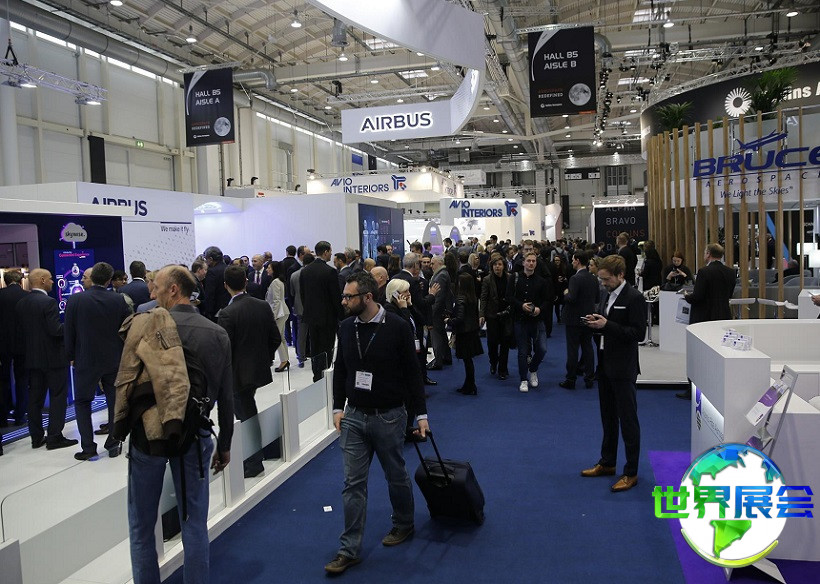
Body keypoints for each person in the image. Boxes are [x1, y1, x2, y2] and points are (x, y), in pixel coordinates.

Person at [119, 265, 233, 584]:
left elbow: (126, 382)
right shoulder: (216, 332)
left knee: (141, 528)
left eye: (156, 287)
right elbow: (227, 396)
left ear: (173, 289)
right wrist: (224, 444)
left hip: (147, 438)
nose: (151, 293)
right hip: (195, 435)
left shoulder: (144, 327)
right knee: (194, 524)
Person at [325, 271, 429, 574]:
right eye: (344, 296)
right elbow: (341, 369)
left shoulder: (397, 326)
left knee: (395, 475)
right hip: (354, 416)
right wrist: (337, 407)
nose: (344, 302)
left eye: (349, 297)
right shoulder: (346, 327)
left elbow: (413, 373)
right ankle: (349, 549)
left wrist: (421, 414)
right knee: (352, 484)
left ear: (367, 297)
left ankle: (404, 523)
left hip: (390, 415)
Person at [581, 254, 646, 493]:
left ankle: (631, 472)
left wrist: (606, 325)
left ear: (620, 275)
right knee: (608, 418)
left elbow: (638, 334)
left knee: (628, 421)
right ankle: (607, 462)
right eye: (601, 279)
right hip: (605, 365)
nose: (603, 283)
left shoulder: (635, 298)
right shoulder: (607, 294)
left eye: (606, 279)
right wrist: (596, 322)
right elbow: (608, 325)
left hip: (623, 369)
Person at [218, 264, 281, 478]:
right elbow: (275, 338)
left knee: (246, 415)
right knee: (247, 411)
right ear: (246, 281)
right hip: (256, 371)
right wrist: (263, 358)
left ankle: (254, 462)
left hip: (237, 375)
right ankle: (254, 457)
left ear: (226, 285)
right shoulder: (261, 305)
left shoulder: (227, 313)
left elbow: (225, 350)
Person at [65, 262, 131, 460]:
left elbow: (69, 331)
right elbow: (127, 328)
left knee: (82, 402)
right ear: (109, 280)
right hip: (113, 359)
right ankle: (113, 443)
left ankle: (88, 448)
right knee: (114, 401)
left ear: (92, 278)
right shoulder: (118, 300)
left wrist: (71, 356)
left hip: (85, 359)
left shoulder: (76, 300)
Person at [15, 269, 77, 450]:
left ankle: (36, 437)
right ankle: (54, 437)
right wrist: (71, 326)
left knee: (35, 398)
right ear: (42, 280)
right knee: (58, 396)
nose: (52, 282)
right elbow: (55, 330)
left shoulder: (22, 303)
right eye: (50, 279)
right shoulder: (48, 302)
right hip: (53, 358)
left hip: (32, 359)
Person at [678, 243, 737, 400]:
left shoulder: (704, 272)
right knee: (719, 353)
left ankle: (693, 389)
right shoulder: (731, 272)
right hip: (723, 316)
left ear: (708, 254)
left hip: (703, 319)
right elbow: (728, 295)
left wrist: (687, 296)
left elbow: (698, 296)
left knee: (698, 354)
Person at [390, 253, 440, 386]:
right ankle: (421, 380)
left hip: (401, 319)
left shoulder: (395, 277)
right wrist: (432, 295)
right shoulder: (412, 281)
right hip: (414, 320)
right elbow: (421, 303)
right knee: (419, 352)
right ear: (415, 265)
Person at [300, 241, 344, 382]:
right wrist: (341, 316)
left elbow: (303, 295)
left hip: (311, 317)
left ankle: (316, 375)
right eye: (330, 251)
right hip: (327, 318)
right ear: (325, 252)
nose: (331, 254)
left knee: (315, 347)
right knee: (327, 348)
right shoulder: (330, 271)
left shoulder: (305, 271)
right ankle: (325, 376)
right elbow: (335, 297)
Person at [507, 252, 549, 393]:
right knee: (523, 352)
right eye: (529, 261)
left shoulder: (541, 281)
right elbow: (509, 297)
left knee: (542, 349)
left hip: (537, 320)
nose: (531, 263)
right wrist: (521, 305)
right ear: (523, 262)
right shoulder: (514, 278)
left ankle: (533, 369)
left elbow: (547, 300)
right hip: (520, 320)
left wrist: (539, 309)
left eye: (533, 261)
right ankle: (523, 379)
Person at [559, 250, 600, 390]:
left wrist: (566, 293)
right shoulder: (593, 278)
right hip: (588, 317)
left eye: (572, 260)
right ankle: (589, 378)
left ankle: (571, 379)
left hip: (573, 319)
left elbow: (571, 298)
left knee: (573, 349)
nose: (571, 262)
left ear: (577, 260)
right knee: (588, 347)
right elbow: (597, 299)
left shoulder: (575, 278)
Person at [0, 269, 28, 427]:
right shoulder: (27, 296)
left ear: (5, 281)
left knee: (3, 380)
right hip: (22, 344)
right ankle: (20, 415)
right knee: (22, 379)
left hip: (2, 344)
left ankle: (2, 417)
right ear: (20, 281)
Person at [448, 272, 483, 396]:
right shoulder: (473, 297)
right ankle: (469, 384)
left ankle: (470, 385)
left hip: (464, 333)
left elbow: (460, 318)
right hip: (472, 332)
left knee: (467, 361)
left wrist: (448, 321)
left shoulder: (461, 298)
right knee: (469, 361)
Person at [480, 253, 512, 380]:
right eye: (495, 265)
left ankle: (502, 369)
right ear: (491, 266)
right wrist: (482, 314)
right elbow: (483, 298)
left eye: (499, 264)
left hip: (507, 314)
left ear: (504, 266)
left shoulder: (510, 278)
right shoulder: (487, 279)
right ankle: (493, 362)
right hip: (492, 315)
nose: (497, 267)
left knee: (505, 342)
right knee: (492, 342)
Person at [427, 255, 453, 370]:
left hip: (437, 311)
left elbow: (438, 298)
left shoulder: (440, 276)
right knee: (441, 334)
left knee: (436, 336)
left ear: (439, 263)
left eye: (433, 263)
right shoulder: (443, 273)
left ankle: (438, 361)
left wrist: (430, 313)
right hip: (441, 310)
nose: (430, 266)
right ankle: (446, 357)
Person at [265, 261, 291, 372]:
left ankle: (284, 361)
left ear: (274, 269)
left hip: (279, 313)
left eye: (269, 268)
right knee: (281, 337)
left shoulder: (275, 282)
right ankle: (285, 359)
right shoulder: (279, 281)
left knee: (277, 338)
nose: (267, 269)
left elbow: (276, 300)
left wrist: (273, 316)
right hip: (283, 311)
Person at [290, 253, 314, 368]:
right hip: (313, 308)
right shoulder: (312, 274)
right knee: (314, 332)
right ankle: (315, 354)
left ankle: (301, 357)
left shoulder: (294, 275)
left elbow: (292, 292)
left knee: (301, 334)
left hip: (299, 308)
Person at [202, 246, 230, 321]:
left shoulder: (212, 272)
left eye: (206, 259)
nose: (205, 262)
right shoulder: (229, 268)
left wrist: (208, 312)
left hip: (216, 311)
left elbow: (210, 294)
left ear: (211, 259)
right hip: (230, 307)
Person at [551, 254, 570, 323]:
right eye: (555, 260)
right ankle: (558, 318)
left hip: (563, 288)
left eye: (558, 260)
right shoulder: (552, 269)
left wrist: (564, 279)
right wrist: (556, 279)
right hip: (556, 289)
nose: (557, 261)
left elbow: (567, 277)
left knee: (564, 303)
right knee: (556, 305)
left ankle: (562, 315)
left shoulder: (564, 268)